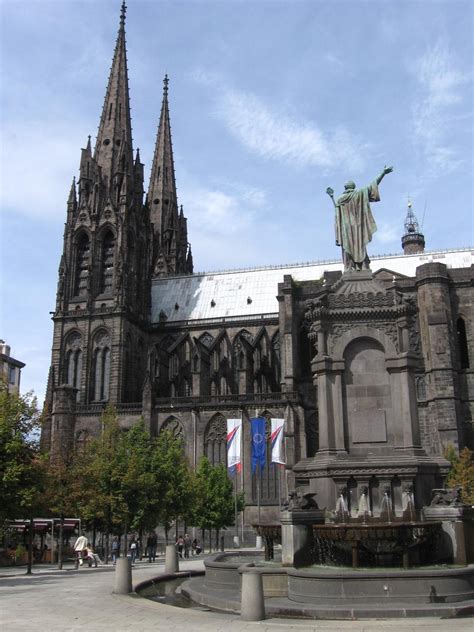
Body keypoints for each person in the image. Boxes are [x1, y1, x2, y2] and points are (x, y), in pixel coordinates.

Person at [327, 166, 393, 271]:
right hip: (358, 226)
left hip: (346, 228)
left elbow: (337, 216)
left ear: (345, 188)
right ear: (353, 187)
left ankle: (350, 266)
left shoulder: (340, 199)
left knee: (348, 246)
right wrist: (383, 173)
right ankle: (362, 265)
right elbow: (373, 184)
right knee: (360, 245)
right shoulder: (360, 194)